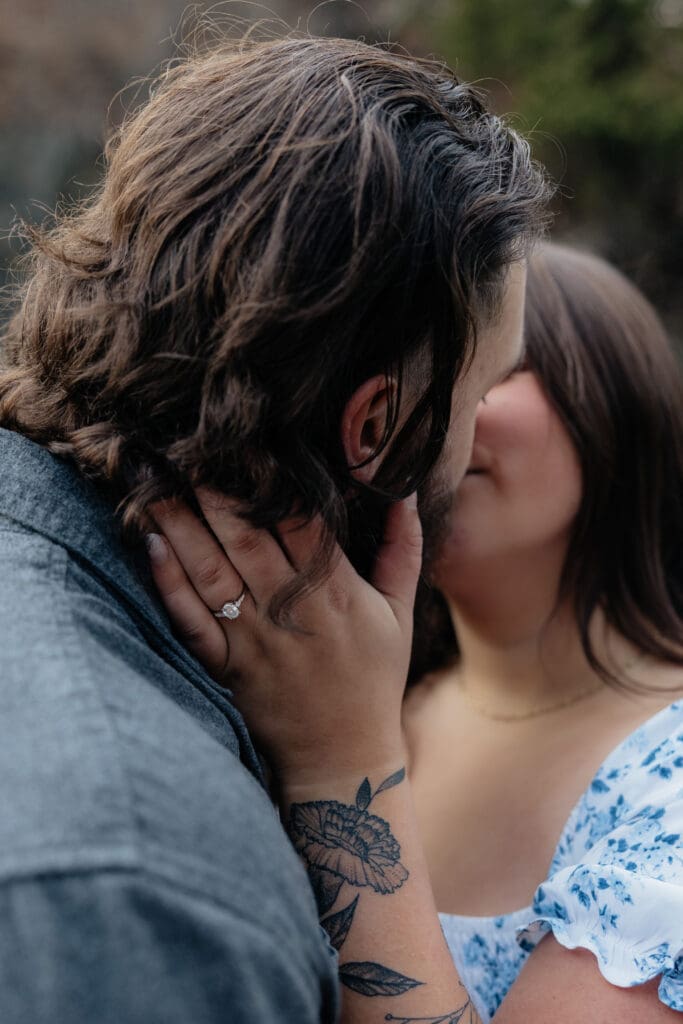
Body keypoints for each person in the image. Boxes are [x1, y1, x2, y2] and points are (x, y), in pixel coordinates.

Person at [0, 31, 549, 1024]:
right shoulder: (144, 900)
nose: (472, 447)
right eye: (483, 391)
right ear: (375, 427)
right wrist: (351, 767)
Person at [149, 243, 683, 1023]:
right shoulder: (344, 681)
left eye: (496, 371)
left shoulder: (666, 778)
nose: (432, 414)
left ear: (616, 408)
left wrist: (344, 764)